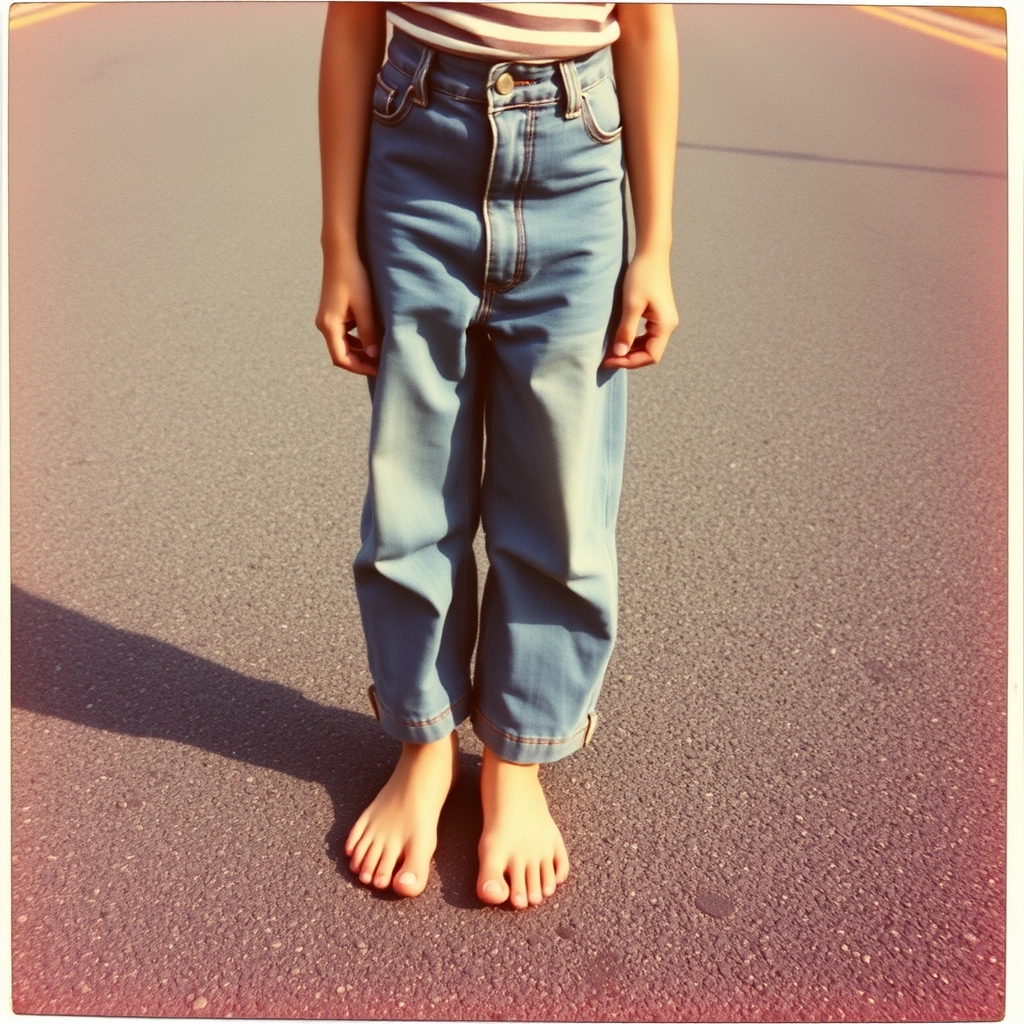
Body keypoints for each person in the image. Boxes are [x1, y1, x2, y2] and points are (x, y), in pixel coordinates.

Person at [315, 2, 679, 910]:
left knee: (557, 494)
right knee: (413, 486)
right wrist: (338, 246)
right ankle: (425, 741)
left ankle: (518, 757)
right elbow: (353, 21)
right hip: (418, 143)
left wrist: (656, 247)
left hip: (577, 159)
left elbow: (646, 25)